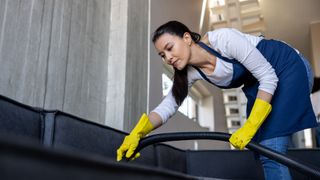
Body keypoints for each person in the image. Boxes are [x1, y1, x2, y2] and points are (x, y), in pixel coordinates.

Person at [116, 21, 317, 180]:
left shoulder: (222, 39)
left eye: (169, 48)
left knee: (271, 149)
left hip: (287, 67)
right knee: (266, 150)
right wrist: (138, 132)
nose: (168, 58)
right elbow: (168, 106)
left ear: (186, 38)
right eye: (162, 55)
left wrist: (249, 125)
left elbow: (268, 76)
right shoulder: (189, 73)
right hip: (260, 85)